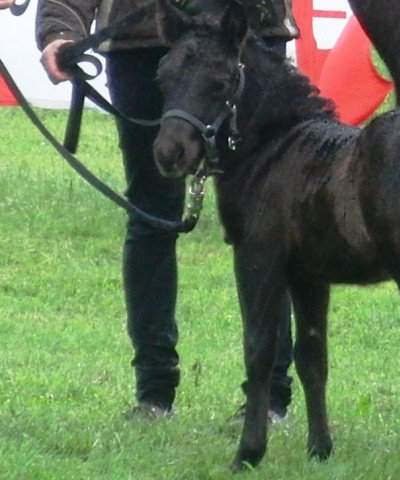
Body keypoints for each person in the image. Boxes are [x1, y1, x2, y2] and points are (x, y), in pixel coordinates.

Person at [36, 0, 299, 421]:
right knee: (151, 214)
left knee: (263, 220)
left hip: (246, 35)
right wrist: (60, 29)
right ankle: (154, 394)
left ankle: (269, 397)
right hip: (142, 40)